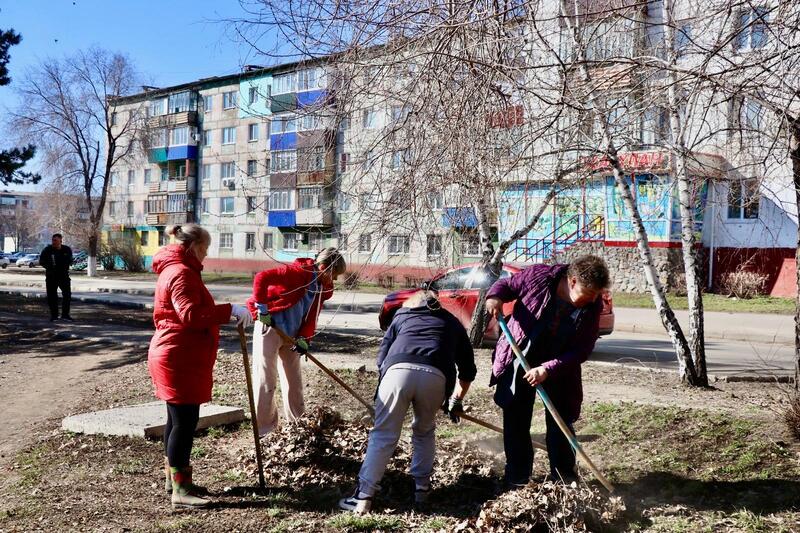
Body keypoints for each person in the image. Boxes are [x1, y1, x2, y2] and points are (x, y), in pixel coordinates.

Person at [339, 290, 477, 514]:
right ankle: (421, 491)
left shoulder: (402, 316)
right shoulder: (453, 322)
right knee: (424, 431)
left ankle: (363, 498)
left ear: (413, 303)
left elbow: (381, 359)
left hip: (397, 371)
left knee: (383, 434)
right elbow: (468, 370)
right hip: (436, 377)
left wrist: (384, 396)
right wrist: (456, 400)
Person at [147, 224, 253, 510]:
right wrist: (228, 310)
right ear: (193, 247)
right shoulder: (181, 273)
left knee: (176, 420)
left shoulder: (177, 269)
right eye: (205, 249)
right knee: (184, 422)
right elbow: (191, 315)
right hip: (178, 356)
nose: (205, 256)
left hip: (177, 354)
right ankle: (180, 491)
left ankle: (176, 481)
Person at [484, 255, 610, 487]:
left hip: (558, 368)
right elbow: (507, 285)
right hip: (520, 357)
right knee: (516, 421)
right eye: (588, 294)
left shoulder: (592, 306)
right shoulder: (539, 277)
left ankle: (564, 480)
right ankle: (517, 480)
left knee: (560, 421)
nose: (592, 300)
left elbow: (582, 350)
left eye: (596, 295)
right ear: (572, 281)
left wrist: (548, 369)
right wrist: (494, 297)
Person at [246, 247, 346, 436]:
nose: (333, 280)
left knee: (294, 378)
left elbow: (311, 317)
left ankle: (297, 423)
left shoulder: (322, 288)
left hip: (293, 335)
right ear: (323, 267)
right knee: (265, 377)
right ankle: (264, 429)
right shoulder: (297, 272)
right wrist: (263, 310)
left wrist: (304, 339)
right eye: (333, 275)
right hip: (271, 325)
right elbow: (261, 277)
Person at [40, 233, 73, 321]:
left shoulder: (66, 249)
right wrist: (49, 267)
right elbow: (42, 261)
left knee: (67, 295)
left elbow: (70, 260)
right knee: (52, 296)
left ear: (60, 241)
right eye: (53, 240)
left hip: (64, 276)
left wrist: (66, 265)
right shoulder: (48, 250)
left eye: (56, 240)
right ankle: (54, 316)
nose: (54, 242)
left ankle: (65, 315)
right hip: (51, 276)